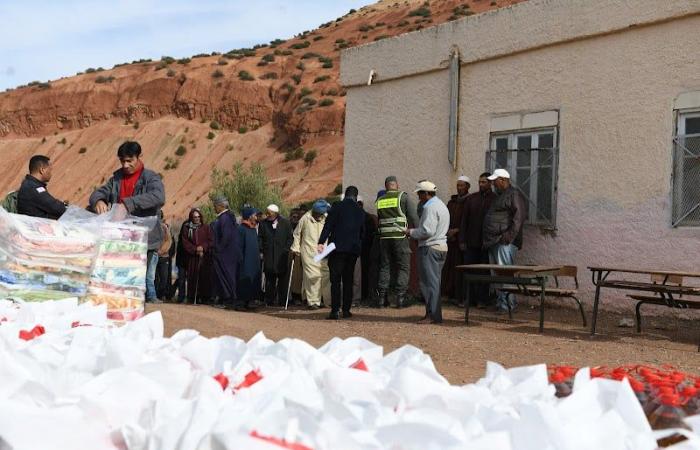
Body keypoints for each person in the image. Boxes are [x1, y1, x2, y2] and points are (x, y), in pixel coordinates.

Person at [89, 141, 165, 303]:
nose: (126, 165)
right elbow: (99, 191)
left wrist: (128, 204)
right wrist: (99, 200)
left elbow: (159, 197)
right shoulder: (116, 178)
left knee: (143, 274)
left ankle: (147, 301)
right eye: (123, 161)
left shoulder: (150, 178)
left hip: (146, 237)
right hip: (122, 237)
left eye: (130, 160)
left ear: (139, 157)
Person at [482, 169, 526, 313]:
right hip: (494, 241)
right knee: (497, 275)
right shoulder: (501, 195)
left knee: (505, 274)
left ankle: (508, 305)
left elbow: (518, 218)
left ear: (503, 180)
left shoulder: (514, 194)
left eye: (495, 181)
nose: (493, 183)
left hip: (504, 242)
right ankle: (502, 303)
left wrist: (507, 237)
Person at [318, 186, 364, 320]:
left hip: (337, 249)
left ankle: (335, 311)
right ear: (356, 196)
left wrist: (321, 242)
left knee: (336, 281)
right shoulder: (360, 211)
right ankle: (346, 310)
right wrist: (358, 248)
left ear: (344, 195)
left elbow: (328, 226)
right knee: (348, 280)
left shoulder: (337, 206)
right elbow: (362, 233)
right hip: (352, 251)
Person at [407, 181, 449, 324]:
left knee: (428, 283)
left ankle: (432, 316)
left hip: (430, 248)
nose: (419, 197)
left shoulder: (429, 208)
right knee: (435, 282)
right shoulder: (441, 205)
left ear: (426, 193)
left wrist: (410, 232)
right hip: (441, 247)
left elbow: (427, 231)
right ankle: (435, 315)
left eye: (420, 193)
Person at [375, 176, 419, 308]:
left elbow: (380, 218)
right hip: (400, 237)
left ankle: (382, 298)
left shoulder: (380, 200)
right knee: (403, 266)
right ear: (397, 185)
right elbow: (414, 217)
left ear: (386, 186)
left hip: (384, 238)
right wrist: (418, 234)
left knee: (385, 266)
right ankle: (400, 298)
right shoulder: (403, 197)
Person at [459, 172, 497, 308]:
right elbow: (464, 221)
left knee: (484, 272)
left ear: (490, 183)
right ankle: (467, 299)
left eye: (484, 182)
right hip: (471, 242)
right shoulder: (472, 199)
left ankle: (482, 300)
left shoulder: (495, 199)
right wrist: (462, 240)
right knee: (469, 271)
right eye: (480, 182)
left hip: (486, 244)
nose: (481, 184)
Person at [291, 200, 331, 310]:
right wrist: (296, 248)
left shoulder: (326, 218)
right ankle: (313, 302)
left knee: (326, 275)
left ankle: (327, 300)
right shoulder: (305, 218)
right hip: (308, 252)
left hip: (323, 251)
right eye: (318, 214)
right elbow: (297, 234)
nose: (319, 216)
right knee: (313, 277)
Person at [441, 175, 470, 304]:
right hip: (450, 240)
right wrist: (448, 231)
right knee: (448, 268)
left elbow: (470, 221)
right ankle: (448, 293)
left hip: (462, 240)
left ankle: (460, 296)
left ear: (467, 187)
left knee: (460, 269)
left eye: (462, 185)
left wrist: (457, 231)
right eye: (458, 185)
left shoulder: (470, 202)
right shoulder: (452, 202)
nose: (459, 188)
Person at [258, 204, 294, 306]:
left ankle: (282, 301)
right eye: (267, 213)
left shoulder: (285, 223)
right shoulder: (263, 223)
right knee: (269, 279)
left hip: (281, 255)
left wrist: (286, 249)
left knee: (283, 280)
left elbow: (290, 238)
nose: (267, 215)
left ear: (275, 213)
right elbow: (260, 238)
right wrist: (261, 250)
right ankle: (269, 300)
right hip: (269, 255)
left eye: (269, 213)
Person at [210, 196, 241, 309]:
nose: (214, 208)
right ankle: (227, 299)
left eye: (215, 206)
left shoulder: (224, 218)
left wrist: (218, 248)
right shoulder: (227, 217)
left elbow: (226, 236)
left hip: (224, 254)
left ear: (221, 206)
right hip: (228, 253)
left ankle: (229, 300)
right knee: (228, 276)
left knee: (226, 276)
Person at [17, 155, 67, 220]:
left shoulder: (30, 184)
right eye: (50, 170)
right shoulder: (34, 188)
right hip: (37, 227)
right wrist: (65, 207)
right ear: (42, 170)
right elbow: (57, 208)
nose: (51, 174)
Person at [180, 208, 213, 304]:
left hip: (204, 257)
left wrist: (203, 247)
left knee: (204, 277)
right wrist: (195, 249)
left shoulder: (206, 227)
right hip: (192, 257)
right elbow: (185, 242)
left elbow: (210, 241)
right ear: (191, 217)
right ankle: (192, 297)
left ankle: (204, 297)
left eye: (198, 217)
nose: (197, 219)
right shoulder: (187, 228)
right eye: (195, 217)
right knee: (193, 277)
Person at [237, 207, 262, 311]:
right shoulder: (241, 229)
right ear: (249, 216)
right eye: (255, 215)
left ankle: (249, 302)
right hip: (245, 261)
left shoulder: (252, 229)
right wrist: (241, 260)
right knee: (244, 281)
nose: (256, 217)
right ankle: (240, 303)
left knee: (252, 280)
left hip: (254, 261)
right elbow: (238, 247)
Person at [357, 195, 378, 305]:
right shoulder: (367, 217)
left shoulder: (367, 218)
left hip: (364, 250)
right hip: (362, 250)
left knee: (364, 273)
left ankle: (364, 295)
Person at [154, 213, 176, 300]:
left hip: (164, 256)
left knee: (164, 278)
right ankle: (154, 296)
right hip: (154, 255)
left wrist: (162, 251)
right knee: (154, 278)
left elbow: (169, 241)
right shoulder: (152, 227)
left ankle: (160, 295)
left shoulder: (164, 228)